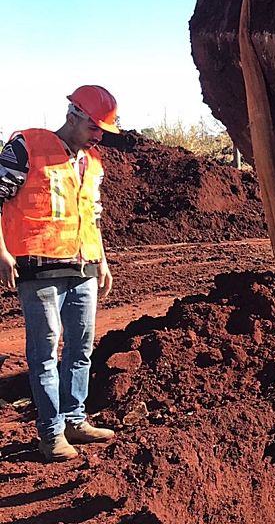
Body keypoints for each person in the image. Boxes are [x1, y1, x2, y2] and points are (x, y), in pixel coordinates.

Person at [0, 85, 119, 461]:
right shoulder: (26, 147)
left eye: (102, 131)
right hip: (38, 269)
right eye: (94, 127)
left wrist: (102, 259)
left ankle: (75, 419)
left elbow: (92, 215)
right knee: (46, 351)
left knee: (81, 348)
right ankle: (51, 433)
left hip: (82, 266)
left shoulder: (92, 162)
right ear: (73, 116)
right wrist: (1, 252)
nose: (98, 136)